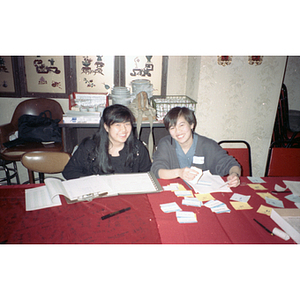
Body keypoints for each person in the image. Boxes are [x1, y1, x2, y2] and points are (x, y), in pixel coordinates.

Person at [151, 106, 241, 187]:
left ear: (191, 125)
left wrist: (234, 175)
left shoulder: (207, 145)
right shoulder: (165, 144)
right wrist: (179, 172)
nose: (178, 131)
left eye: (181, 125)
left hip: (204, 194)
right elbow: (156, 171)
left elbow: (231, 164)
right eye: (172, 128)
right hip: (174, 192)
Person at [63, 104, 152, 180]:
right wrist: (92, 182)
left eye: (127, 124)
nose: (124, 129)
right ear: (106, 127)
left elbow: (148, 173)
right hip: (98, 194)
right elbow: (69, 172)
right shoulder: (90, 147)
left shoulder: (137, 148)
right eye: (118, 125)